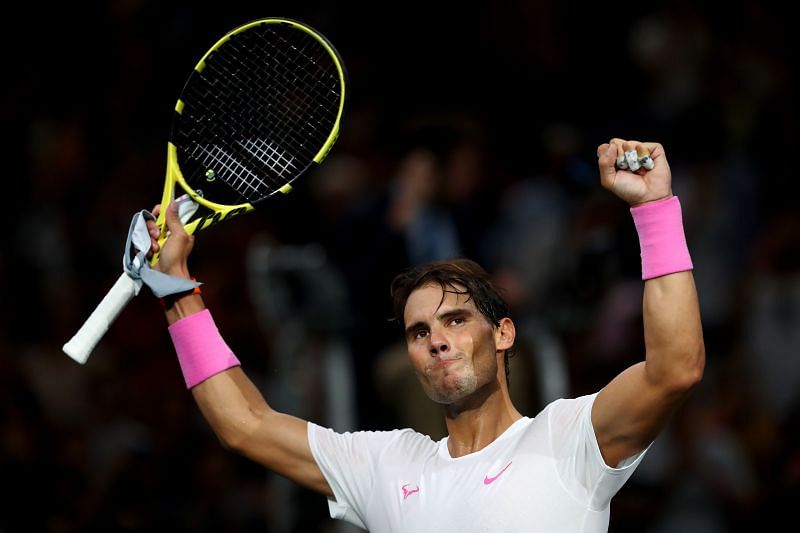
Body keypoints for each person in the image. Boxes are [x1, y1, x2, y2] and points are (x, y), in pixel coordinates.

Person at [145, 138, 705, 532]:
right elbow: (244, 425)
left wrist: (655, 210)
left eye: (456, 320)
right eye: (419, 331)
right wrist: (176, 290)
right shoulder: (387, 465)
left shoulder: (566, 440)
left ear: (504, 334)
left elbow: (675, 368)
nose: (436, 338)